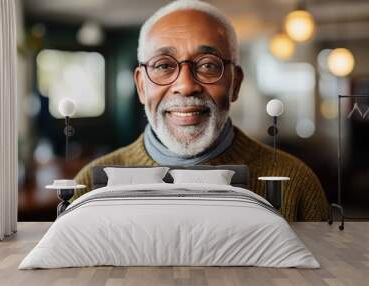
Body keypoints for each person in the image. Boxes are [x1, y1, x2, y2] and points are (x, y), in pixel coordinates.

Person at [71, 0, 329, 221]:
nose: (185, 85)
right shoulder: (89, 186)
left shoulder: (296, 183)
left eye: (207, 65)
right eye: (163, 66)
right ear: (141, 86)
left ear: (235, 84)